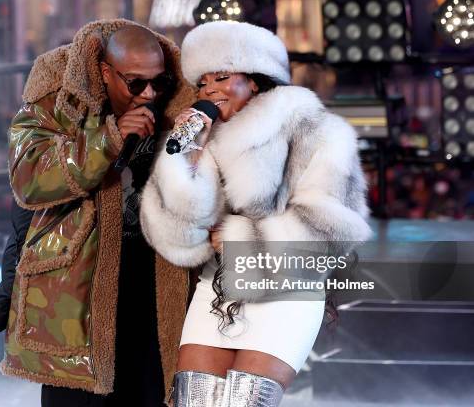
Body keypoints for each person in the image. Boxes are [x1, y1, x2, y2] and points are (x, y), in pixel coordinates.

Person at [140, 21, 372, 406]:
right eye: (202, 82)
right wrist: (181, 156)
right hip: (217, 291)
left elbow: (332, 231)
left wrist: (236, 238)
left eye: (223, 76)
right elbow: (175, 234)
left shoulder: (316, 131)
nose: (210, 89)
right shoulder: (208, 138)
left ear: (257, 81)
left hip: (288, 295)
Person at [0, 19, 196, 406]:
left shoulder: (177, 107)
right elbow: (28, 175)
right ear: (106, 72)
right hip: (78, 285)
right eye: (136, 83)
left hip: (156, 279)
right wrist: (110, 138)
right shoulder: (57, 99)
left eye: (159, 82)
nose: (148, 93)